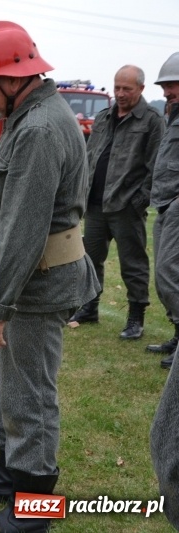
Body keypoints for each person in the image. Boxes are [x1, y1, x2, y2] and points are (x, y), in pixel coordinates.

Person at [0, 21, 98, 533]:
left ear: (11, 79)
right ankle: (7, 476)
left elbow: (22, 229)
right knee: (8, 384)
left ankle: (36, 508)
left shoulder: (36, 128)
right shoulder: (29, 116)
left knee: (29, 395)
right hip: (30, 282)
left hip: (36, 283)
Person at [68, 65, 164, 341]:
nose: (120, 94)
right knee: (90, 259)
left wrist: (139, 200)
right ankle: (90, 307)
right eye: (117, 88)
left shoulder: (151, 121)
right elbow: (90, 156)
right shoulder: (103, 117)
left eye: (127, 89)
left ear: (141, 89)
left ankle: (136, 317)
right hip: (95, 204)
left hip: (126, 207)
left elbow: (155, 165)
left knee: (133, 264)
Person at [150, 50, 179, 532]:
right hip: (162, 202)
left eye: (173, 85)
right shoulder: (171, 116)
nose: (168, 93)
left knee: (167, 271)